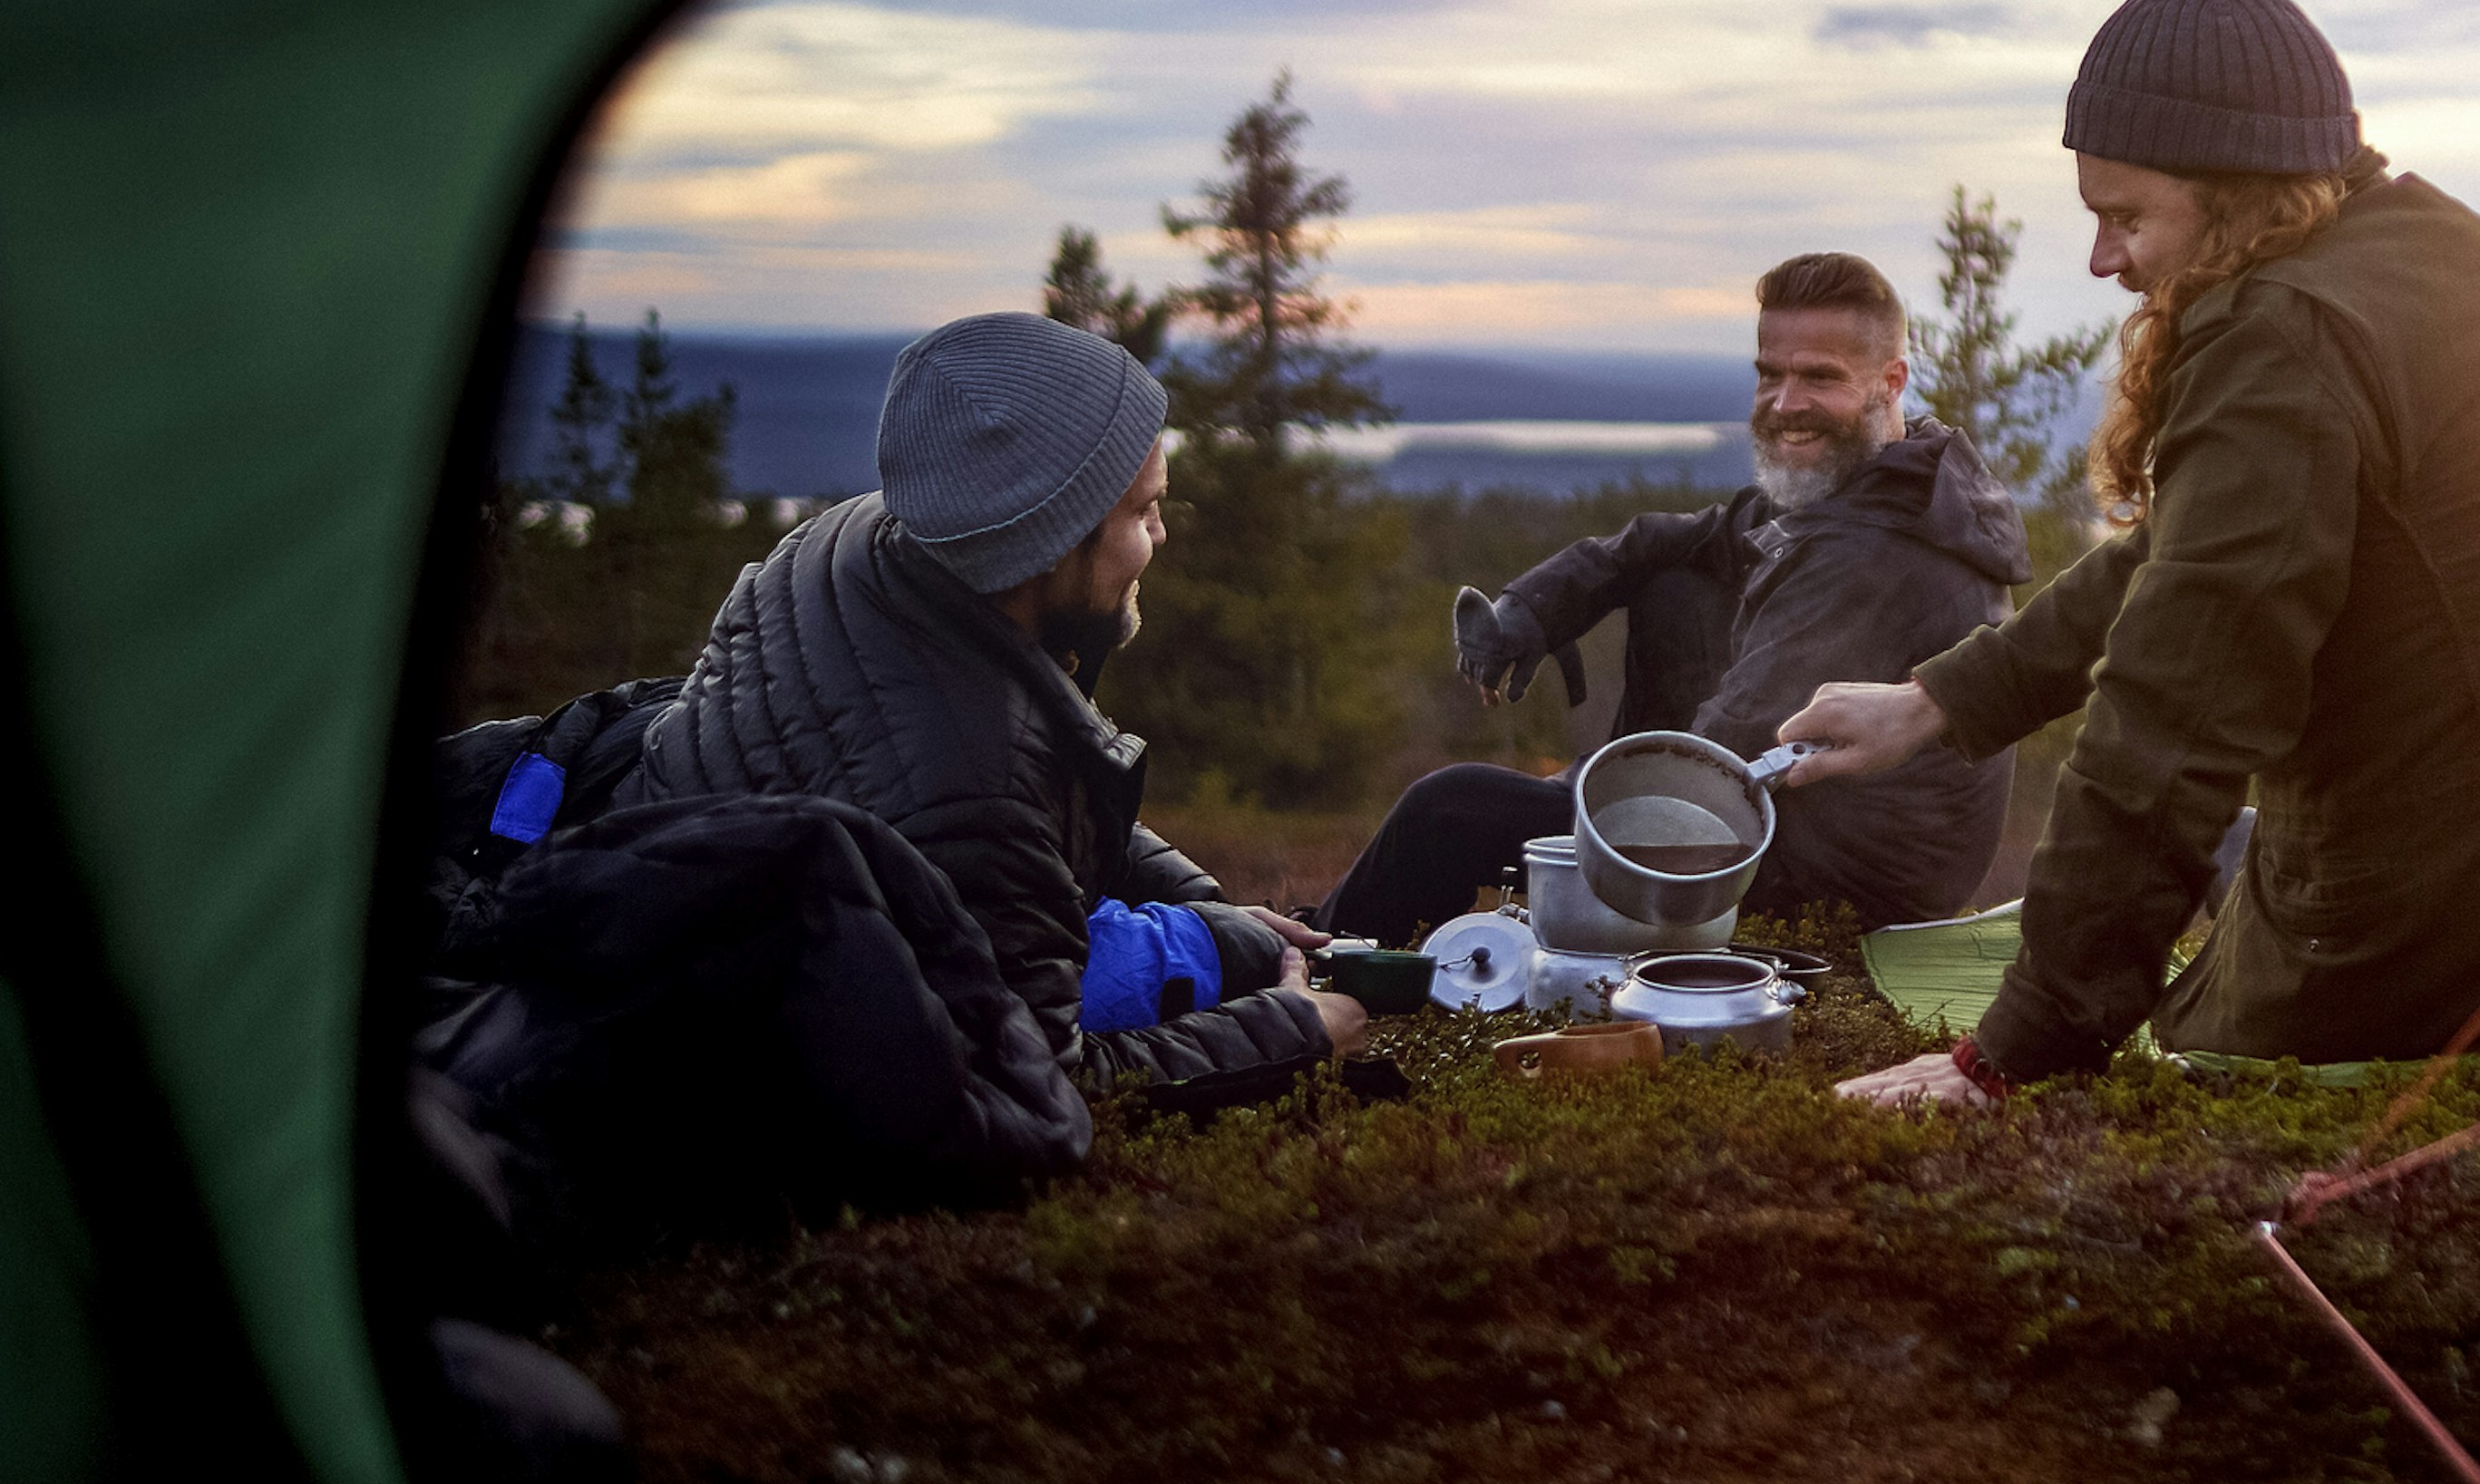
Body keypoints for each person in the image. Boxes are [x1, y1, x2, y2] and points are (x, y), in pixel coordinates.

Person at [1782, 0, 2480, 1105]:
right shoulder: (2422, 242)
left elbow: (2172, 719)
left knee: (2239, 995)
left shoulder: (2282, 340)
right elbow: (2193, 551)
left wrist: (2013, 1054)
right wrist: (1941, 702)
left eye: (2127, 216)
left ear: (2234, 193)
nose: (2102, 259)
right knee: (2246, 887)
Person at [617, 310, 1366, 1091]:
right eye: (1144, 512)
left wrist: (1202, 904)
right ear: (1051, 538)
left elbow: (1037, 817)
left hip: (657, 896)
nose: (1162, 538)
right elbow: (1042, 1085)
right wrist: (1293, 1029)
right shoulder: (971, 775)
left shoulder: (864, 536)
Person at [1315, 254, 2031, 944]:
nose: (1786, 403)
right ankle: (1356, 931)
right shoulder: (1882, 478)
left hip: (1841, 886)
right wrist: (1536, 609)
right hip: (1806, 820)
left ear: (1891, 380)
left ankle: (1315, 961)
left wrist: (1570, 796)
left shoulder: (1873, 554)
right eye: (1770, 375)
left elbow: (1719, 765)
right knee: (1675, 586)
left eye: (1820, 377)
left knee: (1445, 811)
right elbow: (1677, 540)